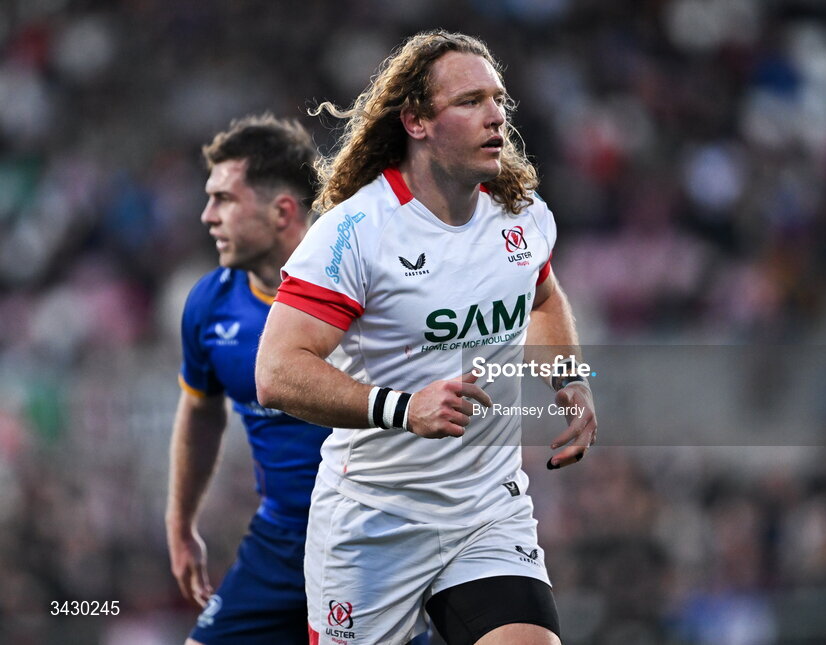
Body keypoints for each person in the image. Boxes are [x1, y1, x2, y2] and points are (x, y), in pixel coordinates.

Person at [255, 30, 598, 645]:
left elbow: (543, 297)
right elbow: (277, 372)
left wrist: (569, 378)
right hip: (374, 520)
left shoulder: (521, 215)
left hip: (486, 511)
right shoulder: (356, 232)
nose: (496, 116)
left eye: (499, 100)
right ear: (415, 120)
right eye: (469, 101)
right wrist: (403, 408)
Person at [165, 114, 332, 645]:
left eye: (225, 200)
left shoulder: (357, 287)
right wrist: (181, 521)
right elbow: (200, 412)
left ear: (283, 210)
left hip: (374, 535)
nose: (206, 215)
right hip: (280, 538)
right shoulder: (210, 304)